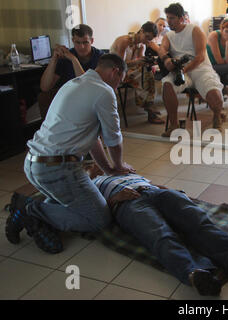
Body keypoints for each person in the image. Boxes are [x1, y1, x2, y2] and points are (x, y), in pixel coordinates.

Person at [5, 54, 136, 253]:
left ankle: (38, 219)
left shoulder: (73, 84)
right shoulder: (104, 92)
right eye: (120, 80)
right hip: (57, 169)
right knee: (98, 218)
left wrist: (108, 169)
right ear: (115, 71)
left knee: (66, 203)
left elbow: (93, 140)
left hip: (33, 164)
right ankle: (30, 210)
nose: (118, 86)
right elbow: (113, 139)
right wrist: (119, 166)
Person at [86, 163, 228, 296]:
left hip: (152, 192)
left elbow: (152, 184)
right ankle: (195, 273)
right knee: (159, 234)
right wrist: (113, 200)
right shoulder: (90, 185)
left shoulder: (122, 170)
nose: (93, 164)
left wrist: (173, 193)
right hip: (127, 204)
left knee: (196, 219)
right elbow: (96, 212)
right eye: (87, 165)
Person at [159, 3, 226, 136]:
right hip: (182, 70)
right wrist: (166, 59)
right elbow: (162, 49)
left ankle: (217, 117)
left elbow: (200, 56)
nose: (169, 21)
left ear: (181, 18)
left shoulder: (194, 29)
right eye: (167, 17)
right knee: (167, 85)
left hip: (201, 69)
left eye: (172, 18)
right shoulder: (169, 35)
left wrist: (184, 70)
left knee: (214, 94)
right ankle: (174, 125)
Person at [38, 24, 103, 119]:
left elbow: (85, 87)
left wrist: (74, 60)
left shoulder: (100, 57)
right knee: (43, 97)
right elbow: (45, 87)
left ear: (92, 41)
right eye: (78, 42)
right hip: (69, 101)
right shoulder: (66, 57)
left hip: (92, 101)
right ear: (73, 41)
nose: (81, 47)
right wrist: (54, 59)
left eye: (85, 42)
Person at [110, 21, 164, 124]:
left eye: (150, 39)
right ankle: (149, 108)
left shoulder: (141, 46)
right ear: (141, 31)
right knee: (145, 74)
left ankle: (149, 105)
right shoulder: (124, 41)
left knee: (147, 71)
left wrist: (148, 62)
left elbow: (139, 64)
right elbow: (119, 65)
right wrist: (137, 62)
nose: (147, 41)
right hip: (115, 73)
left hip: (130, 73)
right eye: (147, 37)